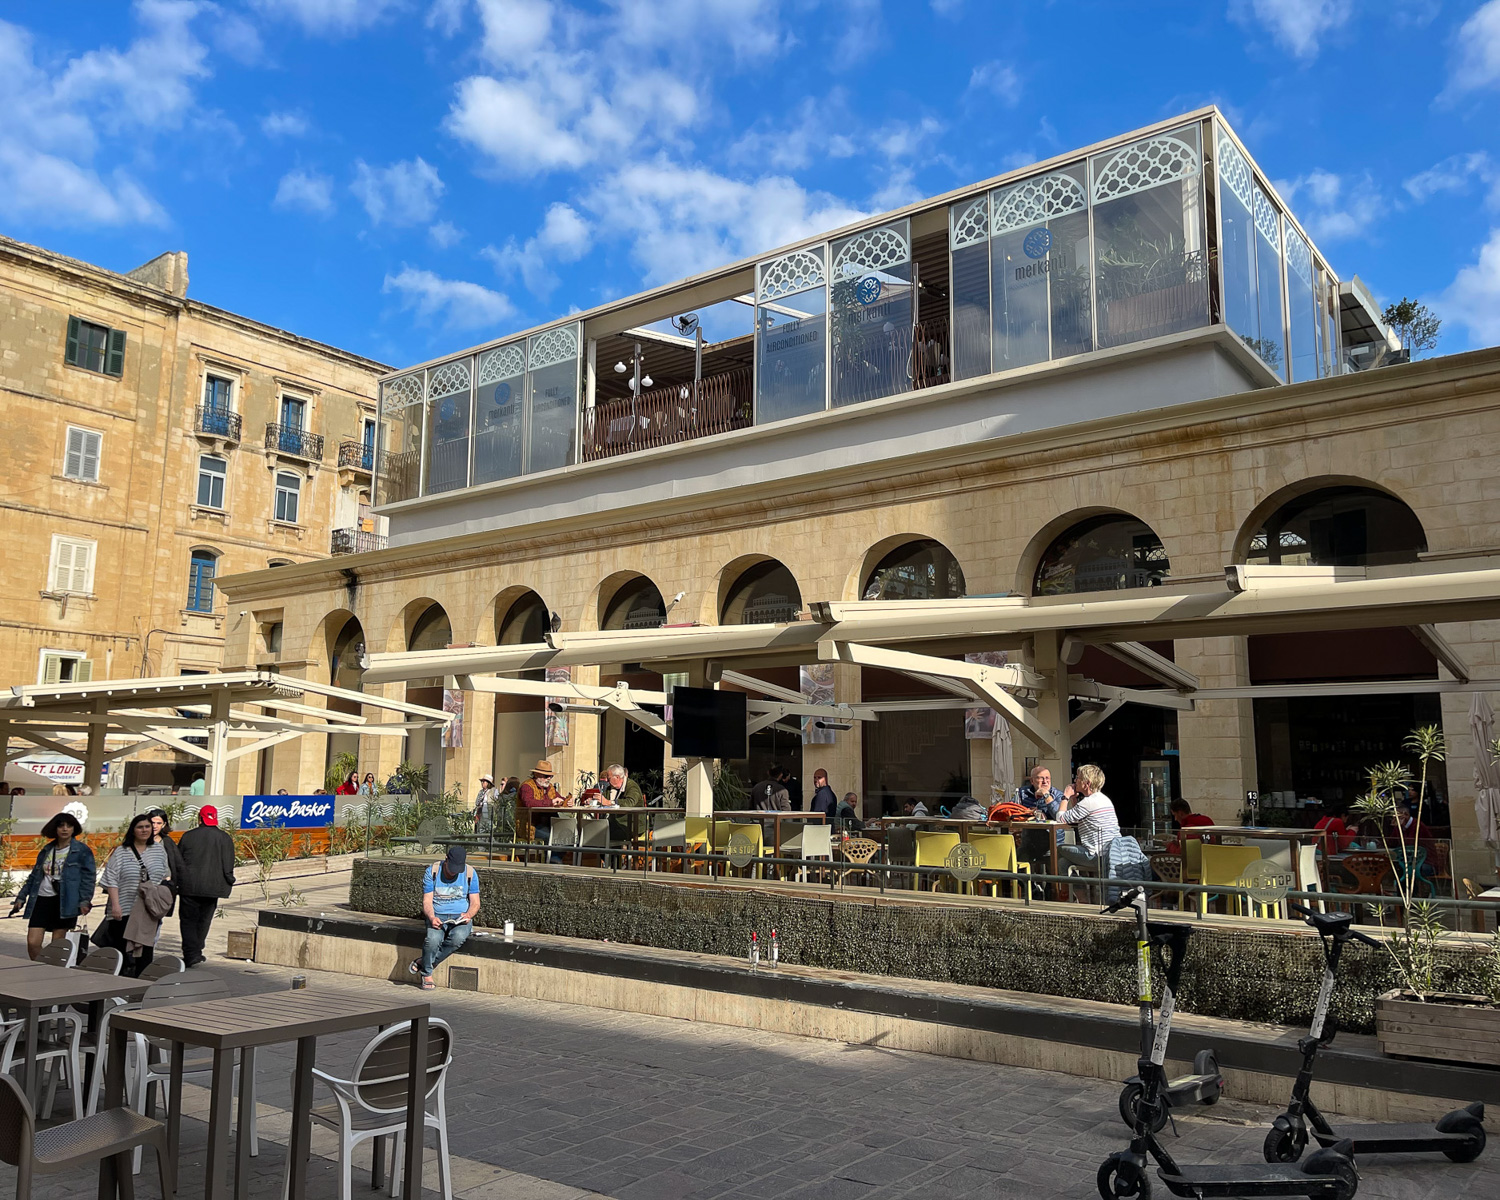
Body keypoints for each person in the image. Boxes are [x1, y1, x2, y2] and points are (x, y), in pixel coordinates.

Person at [9, 810, 96, 959]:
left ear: (74, 829)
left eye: (69, 826)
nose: (65, 829)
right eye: (61, 826)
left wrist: (84, 900)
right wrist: (21, 897)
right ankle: (39, 966)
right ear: (54, 829)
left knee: (58, 944)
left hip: (66, 900)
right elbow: (34, 876)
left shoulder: (81, 850)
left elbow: (89, 878)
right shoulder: (47, 849)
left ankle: (51, 970)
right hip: (41, 898)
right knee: (33, 942)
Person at [100, 813, 173, 976]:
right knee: (120, 950)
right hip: (123, 908)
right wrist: (115, 905)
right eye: (140, 827)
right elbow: (111, 879)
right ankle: (117, 985)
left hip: (147, 910)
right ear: (133, 830)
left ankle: (141, 986)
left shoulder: (159, 851)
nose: (145, 830)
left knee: (145, 949)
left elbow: (163, 876)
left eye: (147, 826)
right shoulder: (121, 852)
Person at [409, 844, 480, 990]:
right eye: (451, 868)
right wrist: (431, 917)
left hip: (460, 917)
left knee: (458, 938)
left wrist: (468, 915)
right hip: (437, 915)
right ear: (446, 860)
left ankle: (425, 963)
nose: (454, 873)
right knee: (433, 940)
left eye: (457, 869)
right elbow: (427, 901)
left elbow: (475, 903)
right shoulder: (432, 871)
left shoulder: (470, 873)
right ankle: (427, 974)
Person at [176, 805, 236, 968]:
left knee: (188, 920)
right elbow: (228, 863)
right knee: (204, 919)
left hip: (189, 886)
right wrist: (229, 880)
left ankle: (191, 953)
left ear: (200, 818)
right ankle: (196, 951)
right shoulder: (224, 838)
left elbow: (178, 861)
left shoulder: (188, 836)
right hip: (213, 887)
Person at [1057, 764, 1121, 898]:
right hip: (1112, 854)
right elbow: (1078, 816)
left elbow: (1061, 818)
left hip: (1096, 856)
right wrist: (1074, 799)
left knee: (1059, 848)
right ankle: (1078, 895)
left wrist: (1066, 796)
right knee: (1064, 862)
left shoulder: (1088, 803)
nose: (1075, 781)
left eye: (1078, 778)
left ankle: (1076, 894)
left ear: (1087, 783)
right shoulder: (1104, 799)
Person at [519, 760, 568, 843]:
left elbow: (559, 798)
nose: (549, 778)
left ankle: (555, 855)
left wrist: (566, 801)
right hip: (531, 825)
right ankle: (552, 856)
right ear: (536, 774)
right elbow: (529, 803)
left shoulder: (550, 787)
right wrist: (551, 802)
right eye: (546, 776)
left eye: (550, 776)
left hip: (549, 823)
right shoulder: (527, 786)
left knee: (569, 836)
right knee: (553, 838)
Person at [144, 807, 187, 882]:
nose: (155, 826)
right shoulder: (141, 841)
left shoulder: (167, 842)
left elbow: (179, 865)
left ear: (164, 825)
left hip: (165, 885)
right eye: (152, 823)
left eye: (159, 823)